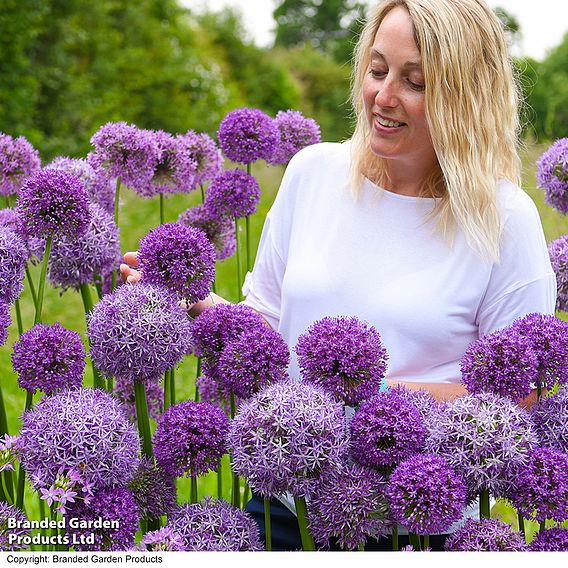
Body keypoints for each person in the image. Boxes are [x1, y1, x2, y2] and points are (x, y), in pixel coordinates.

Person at [121, 0, 556, 550]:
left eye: (414, 82)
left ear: (465, 98)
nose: (383, 96)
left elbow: (518, 400)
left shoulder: (505, 220)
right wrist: (193, 304)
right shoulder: (313, 174)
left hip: (415, 522)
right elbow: (269, 323)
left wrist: (360, 393)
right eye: (377, 70)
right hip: (285, 501)